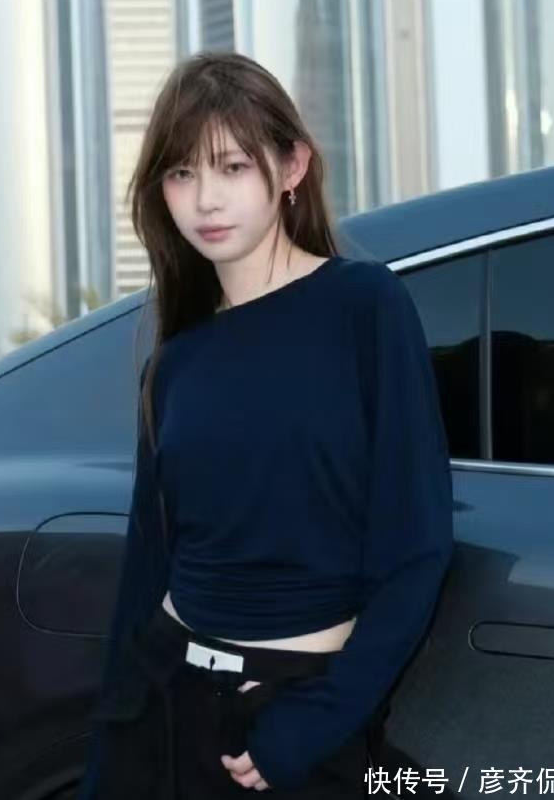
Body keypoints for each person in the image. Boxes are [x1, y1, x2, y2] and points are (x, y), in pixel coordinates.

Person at [76, 51, 454, 798]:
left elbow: (416, 547)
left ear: (291, 167)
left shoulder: (363, 306)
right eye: (181, 172)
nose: (205, 199)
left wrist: (314, 722)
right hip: (173, 701)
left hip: (295, 714)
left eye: (232, 167)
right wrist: (112, 754)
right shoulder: (177, 359)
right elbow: (148, 565)